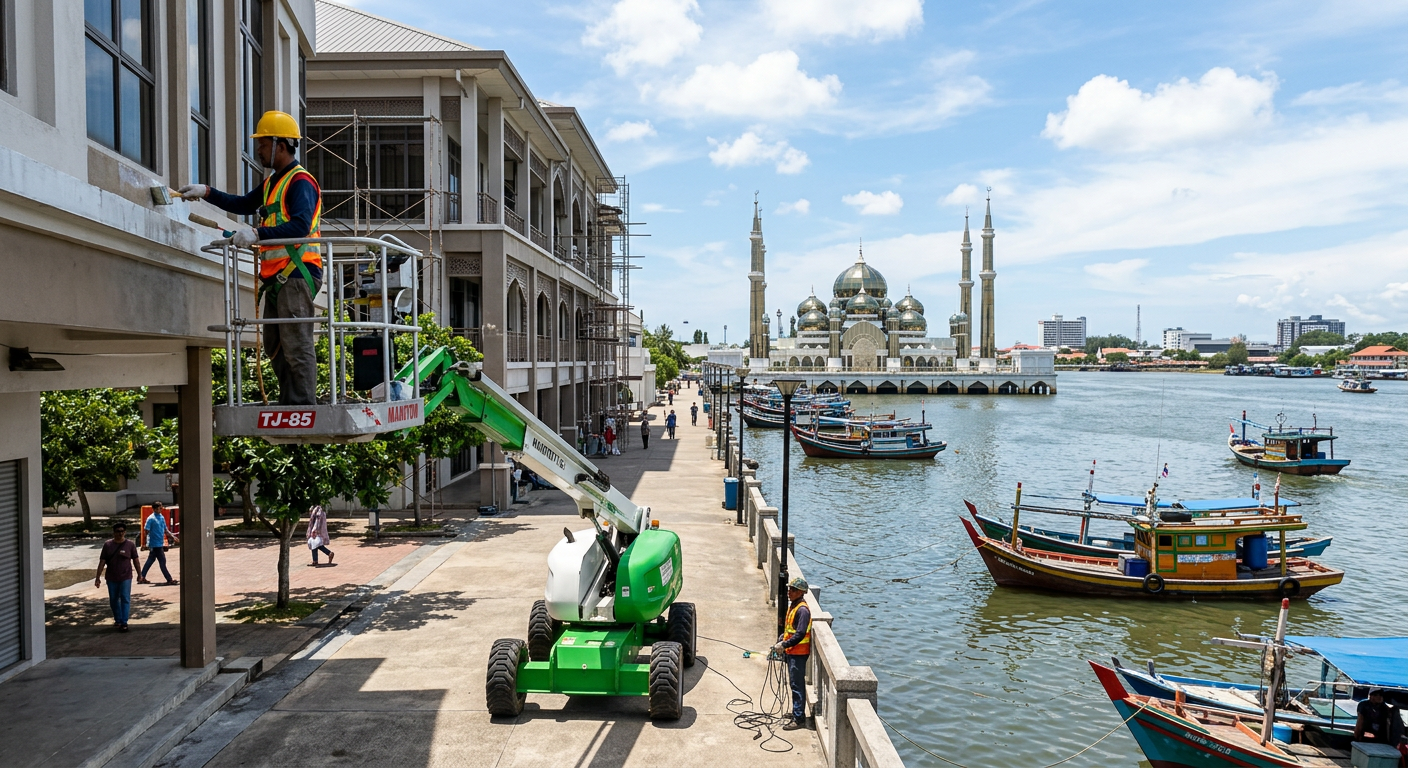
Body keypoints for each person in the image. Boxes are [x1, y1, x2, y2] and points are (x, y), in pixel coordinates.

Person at [178, 110, 323, 405]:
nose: (258, 150)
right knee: (274, 344)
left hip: (297, 273)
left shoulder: (300, 182)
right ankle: (290, 401)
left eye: (262, 143)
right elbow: (243, 203)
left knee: (295, 343)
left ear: (279, 145)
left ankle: (304, 405)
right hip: (278, 276)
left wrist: (257, 235)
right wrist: (206, 192)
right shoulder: (273, 183)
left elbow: (300, 225)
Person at [772, 576, 812, 731]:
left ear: (801, 592)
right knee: (793, 684)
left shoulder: (802, 610)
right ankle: (796, 712)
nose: (789, 592)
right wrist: (783, 637)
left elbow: (800, 634)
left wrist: (784, 644)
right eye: (789, 588)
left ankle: (799, 718)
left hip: (798, 654)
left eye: (793, 590)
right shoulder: (794, 605)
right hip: (792, 652)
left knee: (797, 685)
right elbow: (791, 630)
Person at [95, 522, 140, 631]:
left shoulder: (130, 545)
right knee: (114, 599)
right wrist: (97, 577)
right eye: (117, 531)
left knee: (125, 598)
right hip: (111, 577)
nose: (120, 533)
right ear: (113, 533)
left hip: (126, 576)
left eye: (122, 531)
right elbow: (102, 561)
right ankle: (118, 619)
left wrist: (140, 574)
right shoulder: (108, 545)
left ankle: (124, 622)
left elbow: (136, 560)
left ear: (125, 532)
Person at [138, 503, 179, 585]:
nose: (161, 509)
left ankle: (141, 577)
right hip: (154, 543)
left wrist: (173, 537)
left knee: (150, 560)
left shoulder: (161, 517)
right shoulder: (151, 519)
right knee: (162, 561)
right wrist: (145, 543)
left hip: (159, 542)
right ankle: (169, 579)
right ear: (154, 509)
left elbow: (165, 530)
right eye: (160, 508)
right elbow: (146, 531)